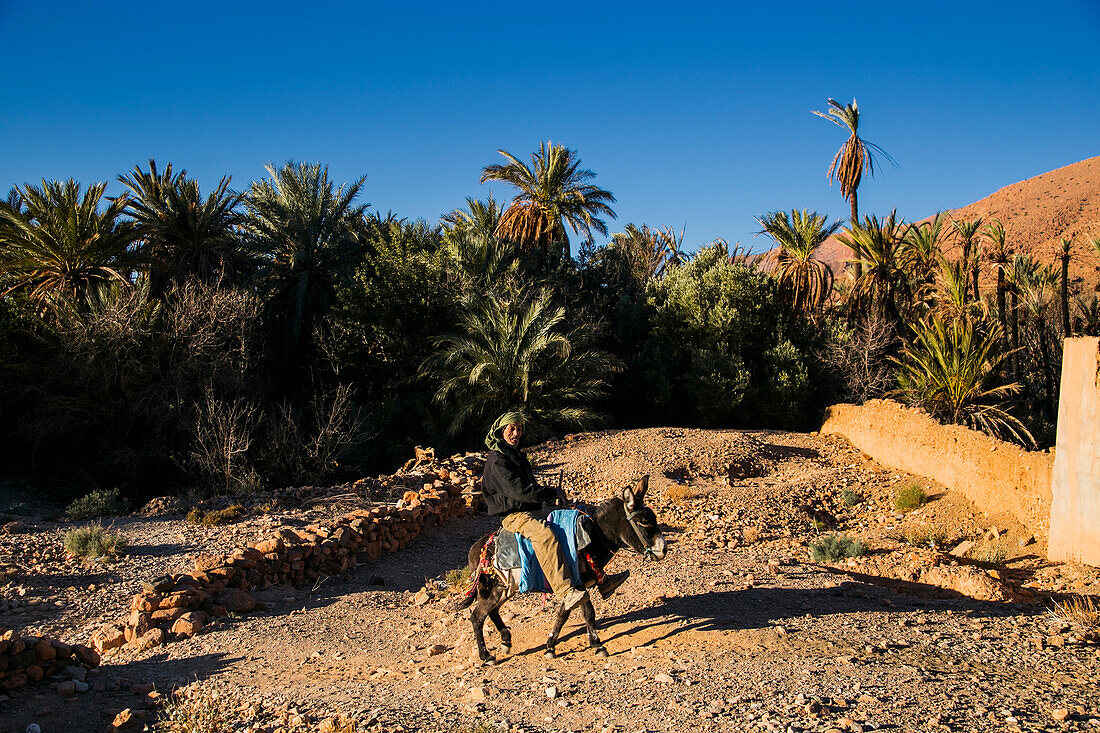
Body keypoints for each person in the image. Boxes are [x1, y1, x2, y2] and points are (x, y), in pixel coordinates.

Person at [481, 412, 628, 608]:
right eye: (512, 429)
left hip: (532, 510)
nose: (516, 433)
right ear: (502, 430)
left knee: (575, 525)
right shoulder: (498, 460)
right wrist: (550, 494)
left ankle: (601, 579)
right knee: (545, 536)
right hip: (514, 516)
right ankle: (565, 591)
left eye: (519, 429)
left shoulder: (516, 456)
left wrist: (552, 500)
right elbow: (519, 491)